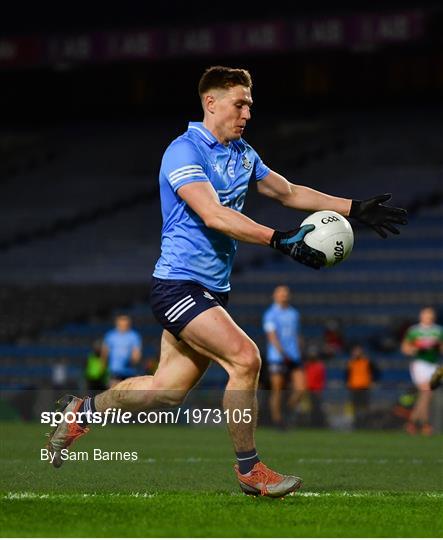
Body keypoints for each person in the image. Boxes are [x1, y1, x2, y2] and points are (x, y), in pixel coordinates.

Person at [47, 66, 407, 497]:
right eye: (239, 104)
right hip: (178, 285)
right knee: (246, 358)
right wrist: (280, 240)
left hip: (211, 290)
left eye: (250, 105)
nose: (247, 113)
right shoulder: (183, 152)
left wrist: (354, 208)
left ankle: (80, 411)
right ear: (210, 103)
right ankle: (250, 470)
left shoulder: (242, 153)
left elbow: (288, 192)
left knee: (164, 392)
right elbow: (214, 214)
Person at [263, 285, 305, 428]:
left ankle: (286, 411)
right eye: (281, 294)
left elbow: (296, 334)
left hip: (294, 356)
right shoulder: (270, 314)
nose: (284, 296)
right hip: (277, 356)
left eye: (286, 293)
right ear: (275, 296)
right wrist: (282, 352)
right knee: (278, 389)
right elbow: (271, 335)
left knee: (301, 388)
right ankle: (277, 420)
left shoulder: (294, 313)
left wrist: (299, 348)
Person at [401, 307, 443, 435]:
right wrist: (417, 348)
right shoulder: (414, 331)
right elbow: (405, 349)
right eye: (426, 315)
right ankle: (425, 425)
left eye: (430, 316)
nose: (428, 318)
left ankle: (412, 423)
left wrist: (435, 347)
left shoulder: (439, 330)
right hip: (420, 364)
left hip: (435, 366)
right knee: (426, 391)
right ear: (421, 316)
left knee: (426, 395)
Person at [101, 315, 142, 388]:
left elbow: (136, 352)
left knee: (128, 394)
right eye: (121, 324)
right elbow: (105, 351)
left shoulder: (133, 336)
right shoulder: (110, 335)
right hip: (115, 370)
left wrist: (134, 359)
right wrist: (103, 364)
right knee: (114, 393)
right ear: (117, 324)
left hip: (129, 371)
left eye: (125, 324)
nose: (123, 326)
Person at [345, 344, 379, 429]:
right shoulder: (350, 362)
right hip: (354, 388)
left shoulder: (367, 361)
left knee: (365, 407)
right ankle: (356, 424)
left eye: (358, 351)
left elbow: (377, 372)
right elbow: (346, 374)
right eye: (355, 351)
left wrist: (374, 381)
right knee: (355, 407)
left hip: (364, 387)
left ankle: (366, 424)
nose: (356, 353)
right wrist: (347, 383)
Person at [304, 344, 327, 427]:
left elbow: (322, 379)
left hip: (317, 391)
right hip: (308, 390)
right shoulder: (307, 365)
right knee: (310, 409)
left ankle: (319, 424)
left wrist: (320, 389)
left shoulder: (320, 366)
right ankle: (311, 424)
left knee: (317, 408)